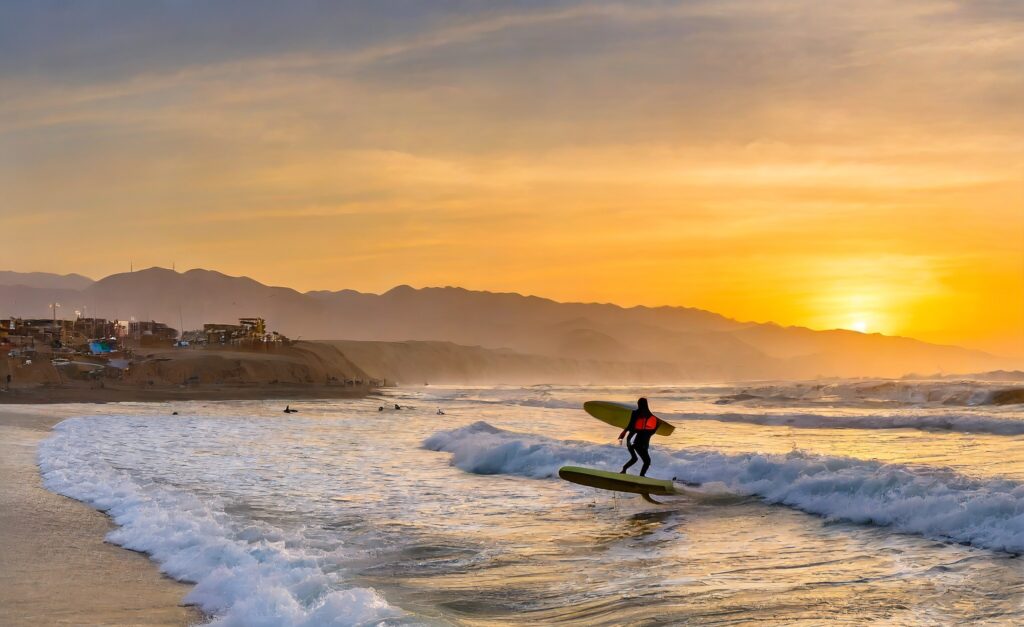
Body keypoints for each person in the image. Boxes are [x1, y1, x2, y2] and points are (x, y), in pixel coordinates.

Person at [618, 397, 659, 477]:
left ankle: (624, 470)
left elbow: (630, 426)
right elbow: (650, 430)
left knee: (635, 459)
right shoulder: (648, 416)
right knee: (646, 461)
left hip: (634, 441)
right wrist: (658, 424)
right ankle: (641, 476)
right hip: (639, 442)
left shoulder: (636, 414)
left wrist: (623, 436)